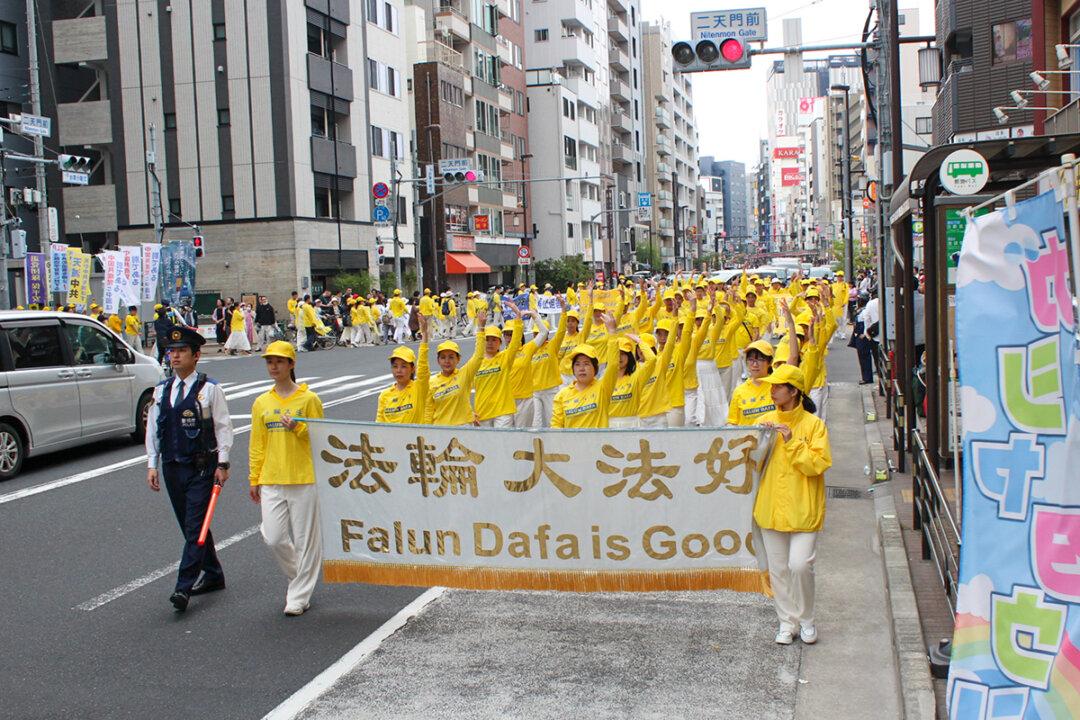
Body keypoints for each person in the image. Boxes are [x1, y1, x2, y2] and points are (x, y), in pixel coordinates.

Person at [145, 326, 233, 612]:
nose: (175, 356)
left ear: (196, 356)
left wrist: (223, 462)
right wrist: (152, 463)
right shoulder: (161, 390)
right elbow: (153, 429)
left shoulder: (209, 389)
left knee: (196, 525)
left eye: (181, 351)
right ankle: (214, 573)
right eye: (172, 351)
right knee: (190, 526)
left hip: (201, 468)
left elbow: (223, 427)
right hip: (172, 466)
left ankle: (183, 587)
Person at [756, 364, 831, 645]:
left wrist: (791, 442)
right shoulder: (765, 420)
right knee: (778, 570)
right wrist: (759, 440)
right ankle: (787, 622)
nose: (772, 391)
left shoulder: (814, 425)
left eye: (778, 386)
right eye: (771, 386)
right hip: (771, 505)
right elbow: (751, 463)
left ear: (794, 391)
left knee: (800, 565)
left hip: (804, 507)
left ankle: (807, 618)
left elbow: (818, 464)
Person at [249, 341, 324, 616]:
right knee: (274, 537)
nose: (273, 366)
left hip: (304, 477)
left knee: (306, 540)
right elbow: (257, 443)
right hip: (272, 478)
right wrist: (254, 477)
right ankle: (300, 575)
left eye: (279, 361)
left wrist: (299, 429)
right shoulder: (262, 403)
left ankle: (299, 596)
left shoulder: (309, 399)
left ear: (291, 364)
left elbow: (321, 438)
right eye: (270, 361)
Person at [550, 314, 621, 429]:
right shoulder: (562, 396)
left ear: (595, 368)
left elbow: (613, 365)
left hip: (599, 446)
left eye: (586, 364)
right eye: (577, 364)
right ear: (573, 369)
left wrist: (612, 332)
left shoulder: (603, 388)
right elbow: (556, 427)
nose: (581, 368)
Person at [425, 310, 486, 426]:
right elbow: (428, 410)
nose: (447, 361)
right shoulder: (431, 382)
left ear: (458, 359)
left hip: (463, 427)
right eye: (443, 357)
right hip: (440, 429)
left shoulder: (464, 374)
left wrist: (481, 329)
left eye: (451, 357)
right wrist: (428, 431)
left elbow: (478, 356)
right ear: (438, 360)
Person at [473, 303, 523, 427]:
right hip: (483, 411)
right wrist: (480, 327)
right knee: (486, 445)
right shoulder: (476, 362)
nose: (490, 343)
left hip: (503, 411)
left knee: (503, 443)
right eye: (487, 339)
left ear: (500, 343)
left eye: (494, 339)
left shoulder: (505, 357)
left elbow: (516, 342)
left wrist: (518, 317)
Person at [376, 316, 430, 423]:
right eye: (395, 366)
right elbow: (379, 425)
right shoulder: (385, 395)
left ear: (412, 369)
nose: (398, 370)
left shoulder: (419, 388)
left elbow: (423, 367)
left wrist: (424, 335)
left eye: (404, 366)